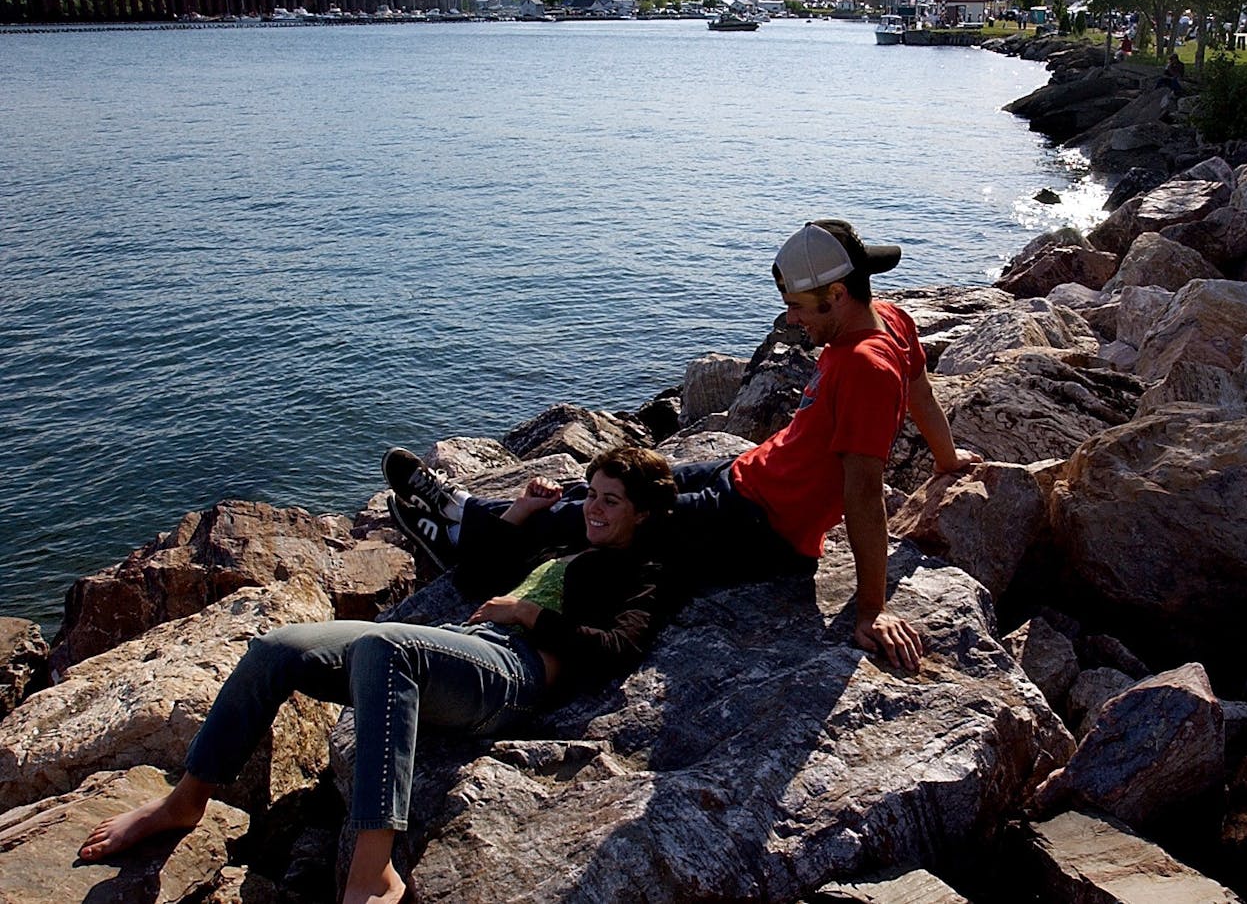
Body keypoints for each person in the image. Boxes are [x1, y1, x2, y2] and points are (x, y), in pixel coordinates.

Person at [79, 446, 677, 904]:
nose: (592, 508)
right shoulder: (576, 542)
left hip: (513, 675)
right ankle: (185, 802)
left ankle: (372, 869)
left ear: (644, 514)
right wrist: (521, 511)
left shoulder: (645, 569)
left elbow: (617, 647)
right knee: (277, 646)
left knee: (387, 647)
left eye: (610, 501)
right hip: (465, 646)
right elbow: (477, 574)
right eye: (592, 494)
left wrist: (529, 613)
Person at [389, 220, 980, 676]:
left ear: (839, 294)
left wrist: (871, 607)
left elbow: (864, 492)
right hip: (747, 475)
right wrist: (948, 463)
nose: (791, 320)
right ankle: (476, 516)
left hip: (758, 525)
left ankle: (465, 529)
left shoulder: (864, 368)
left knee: (615, 515)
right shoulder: (891, 320)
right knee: (618, 485)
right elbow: (924, 392)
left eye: (799, 308)